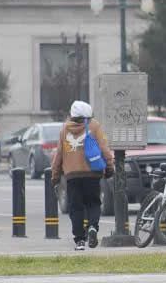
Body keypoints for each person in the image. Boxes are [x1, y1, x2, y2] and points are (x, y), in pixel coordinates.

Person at [51, 100, 114, 251]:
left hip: (72, 175)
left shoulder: (64, 129)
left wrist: (55, 175)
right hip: (93, 173)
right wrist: (110, 165)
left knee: (76, 207)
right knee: (93, 203)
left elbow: (59, 155)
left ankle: (79, 240)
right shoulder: (94, 126)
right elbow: (104, 148)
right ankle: (92, 227)